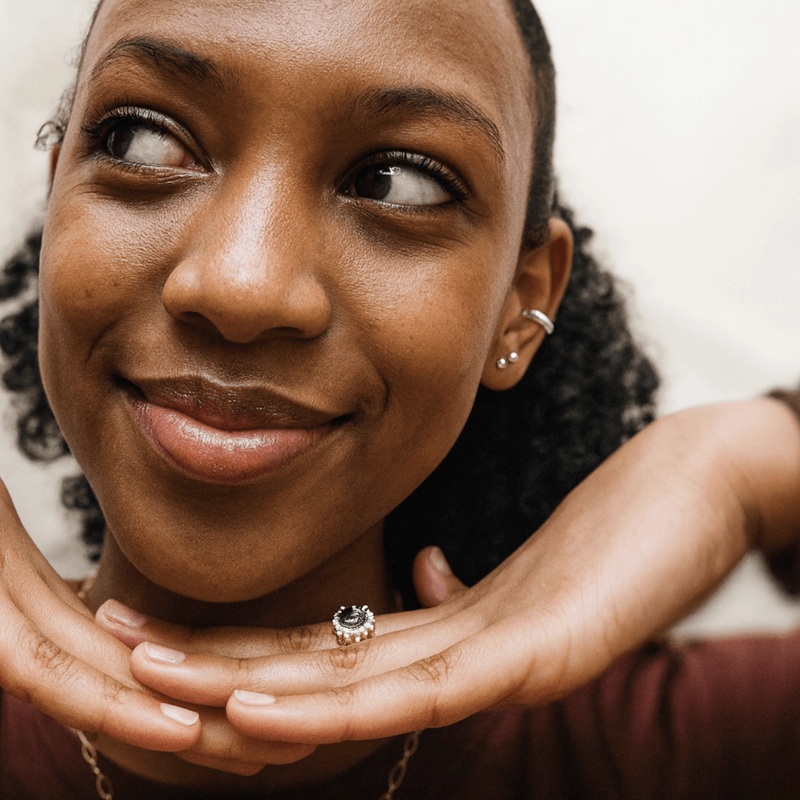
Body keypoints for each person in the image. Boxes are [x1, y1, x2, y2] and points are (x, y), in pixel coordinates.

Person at [0, 0, 799, 797]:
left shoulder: (686, 748)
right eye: (141, 138)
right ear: (59, 192)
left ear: (520, 307)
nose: (244, 286)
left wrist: (735, 469)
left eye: (397, 183)